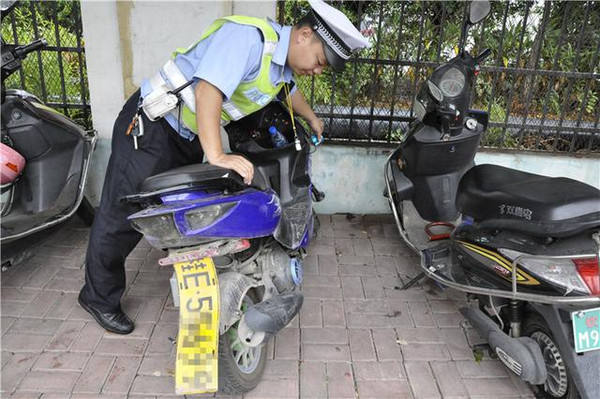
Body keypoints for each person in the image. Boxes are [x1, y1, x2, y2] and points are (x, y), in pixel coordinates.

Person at [78, 0, 370, 334]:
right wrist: (216, 155)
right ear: (304, 35)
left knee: (171, 208)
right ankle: (98, 297)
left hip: (185, 135)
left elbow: (287, 92)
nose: (318, 70)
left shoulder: (279, 65)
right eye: (320, 61)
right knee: (122, 214)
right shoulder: (247, 40)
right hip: (150, 127)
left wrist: (312, 118)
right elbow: (208, 90)